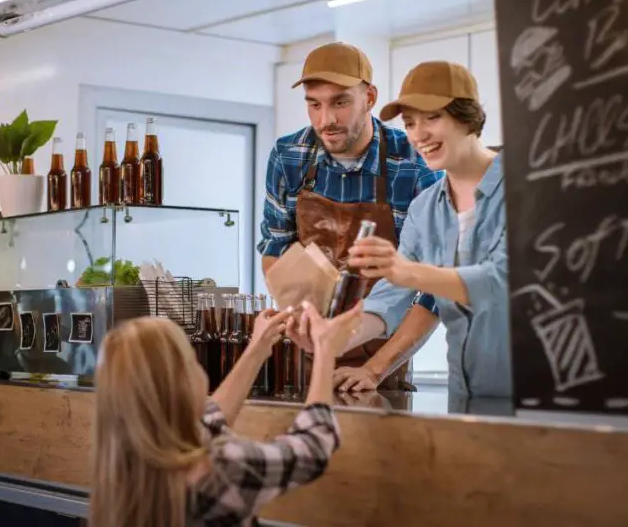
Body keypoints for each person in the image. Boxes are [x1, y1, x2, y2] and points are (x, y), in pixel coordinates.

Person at [305, 61, 510, 406]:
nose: (419, 135)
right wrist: (337, 335)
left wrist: (407, 271)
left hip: (539, 404)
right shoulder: (425, 209)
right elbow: (391, 298)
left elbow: (502, 284)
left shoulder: (526, 190)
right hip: (465, 400)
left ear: (468, 117)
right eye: (410, 123)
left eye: (432, 118)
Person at [258, 41, 444, 391]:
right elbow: (275, 248)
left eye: (340, 102)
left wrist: (374, 370)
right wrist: (300, 316)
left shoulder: (415, 165)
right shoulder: (289, 156)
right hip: (303, 352)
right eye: (314, 104)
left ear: (370, 98)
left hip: (383, 360)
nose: (325, 120)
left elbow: (431, 291)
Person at [89, 303, 362, 527]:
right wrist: (325, 349)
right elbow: (312, 448)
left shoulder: (123, 469)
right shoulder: (221, 469)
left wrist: (258, 346)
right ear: (178, 387)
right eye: (191, 361)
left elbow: (208, 421)